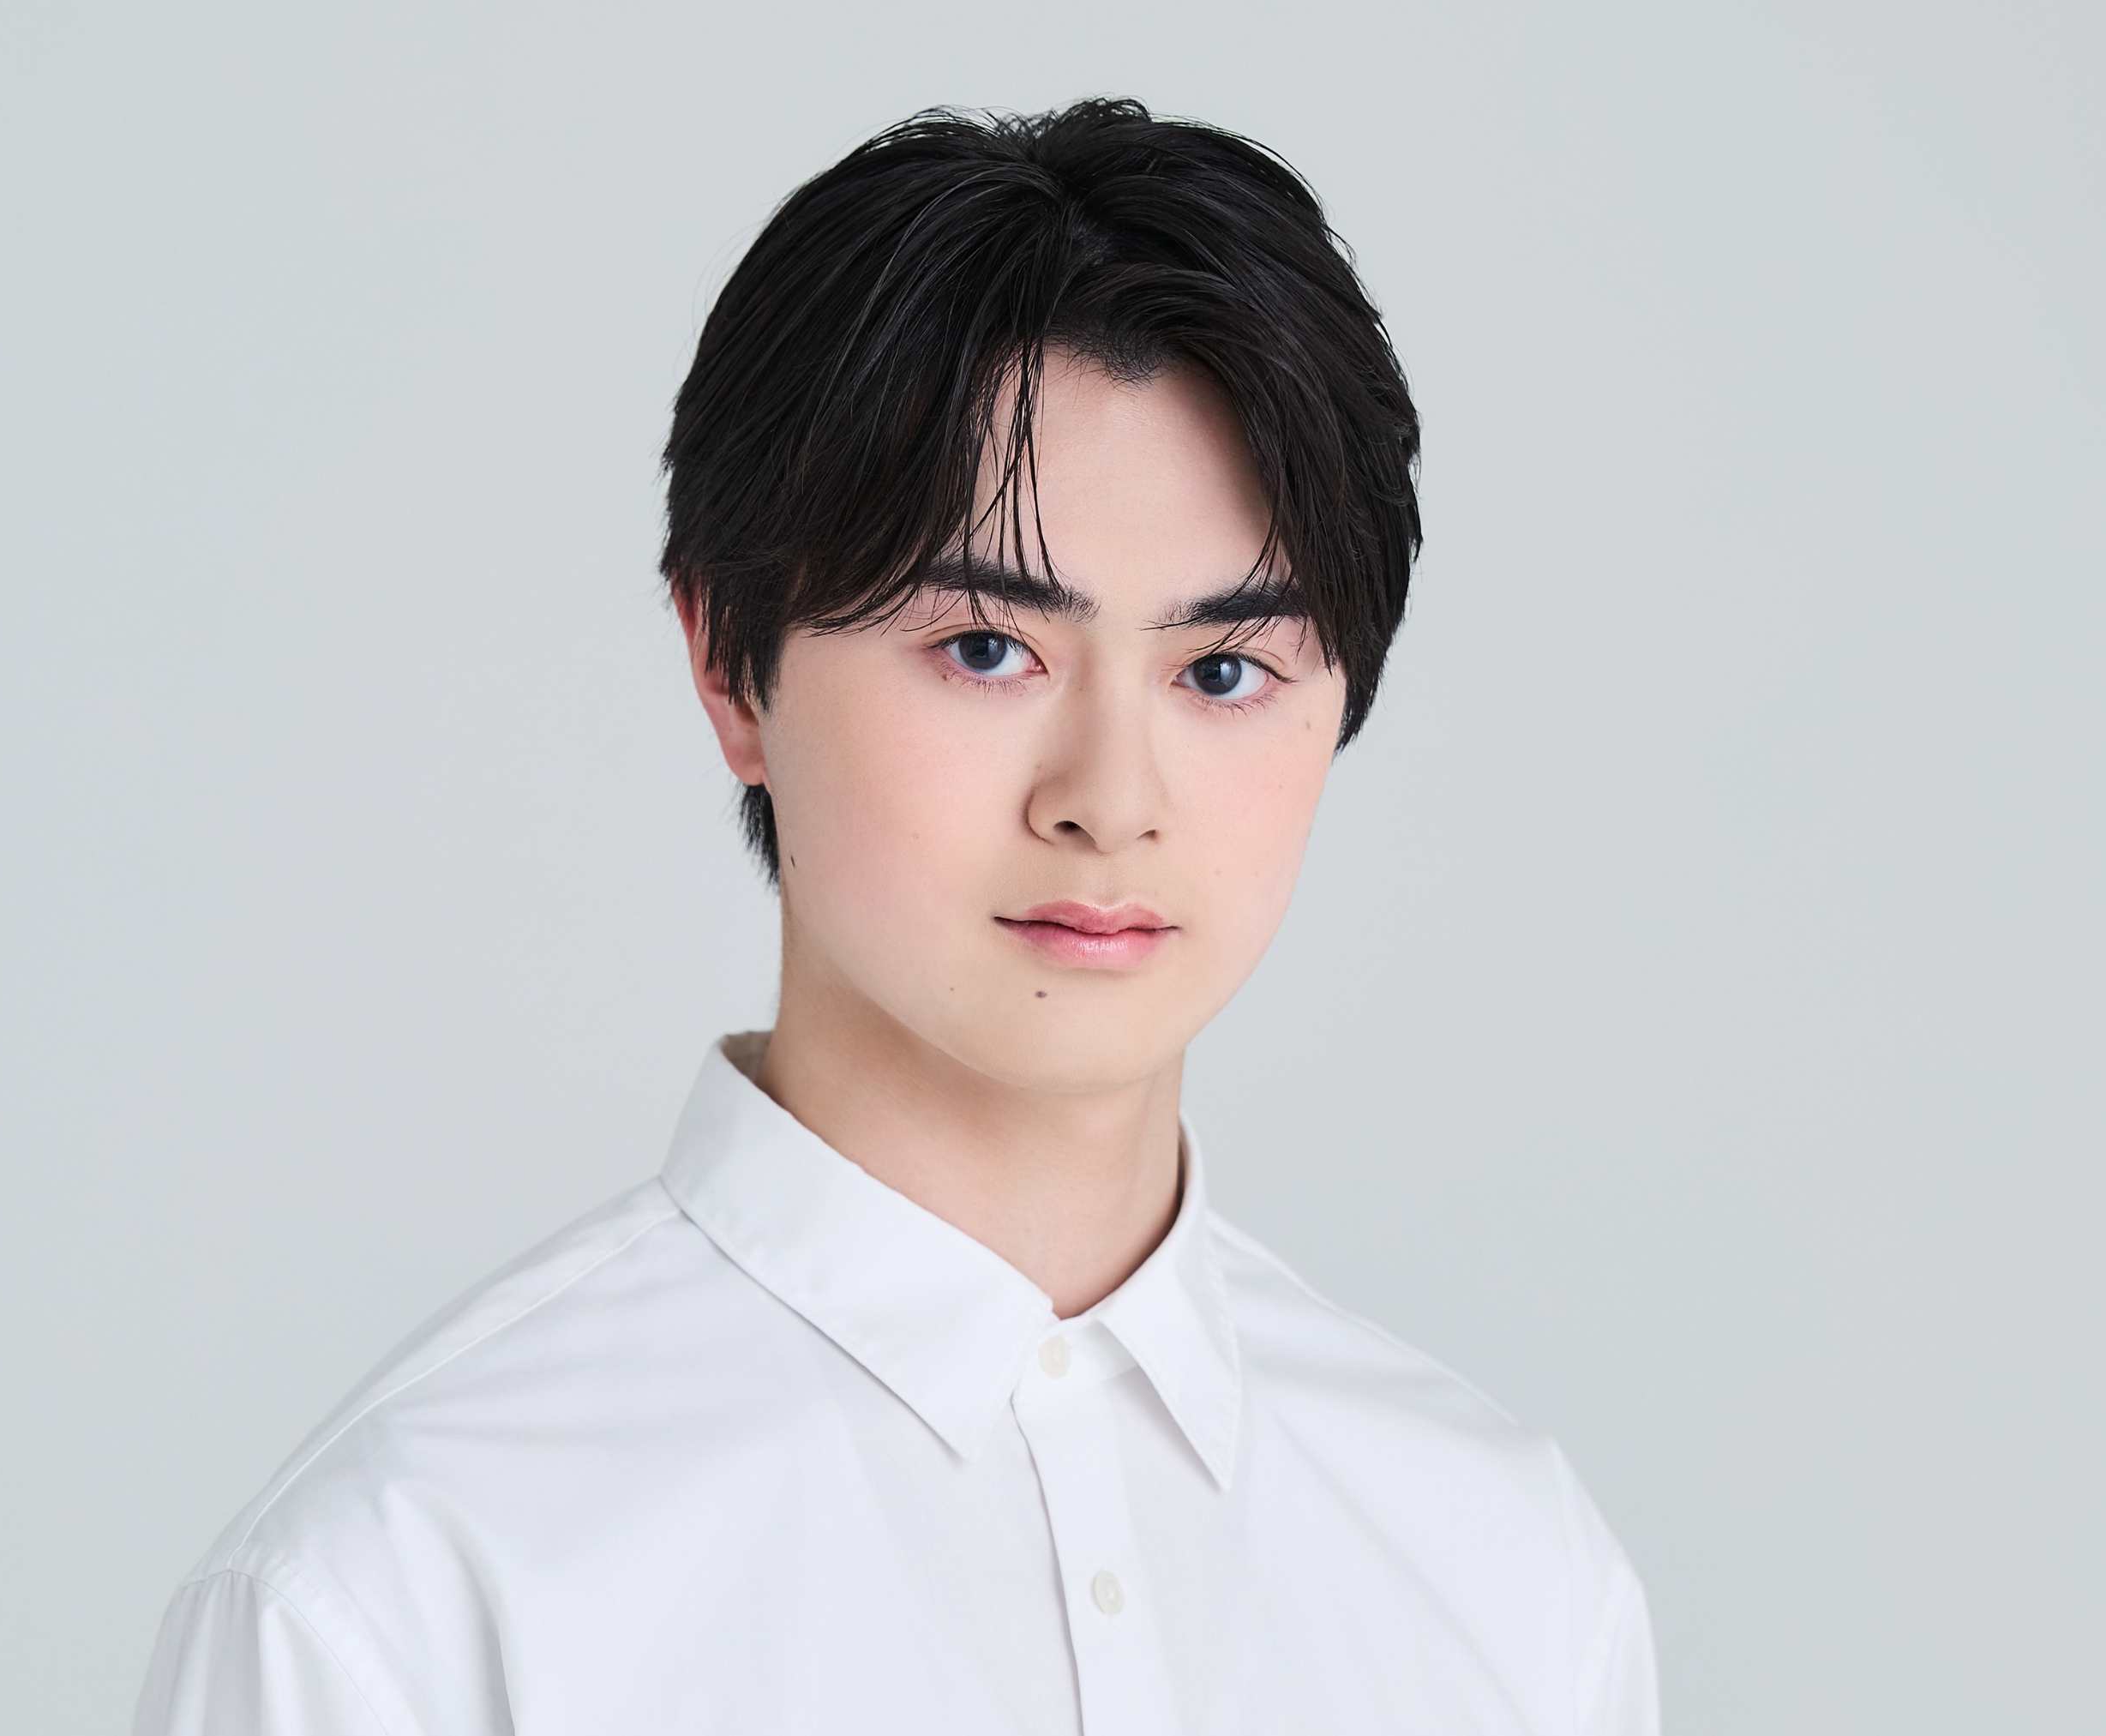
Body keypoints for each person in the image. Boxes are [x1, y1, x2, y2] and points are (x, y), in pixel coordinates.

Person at [136, 99, 1659, 1735]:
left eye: (1223, 671)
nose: (1108, 799)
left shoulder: (1508, 1576)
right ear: (731, 667)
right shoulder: (404, 1596)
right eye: (987, 651)